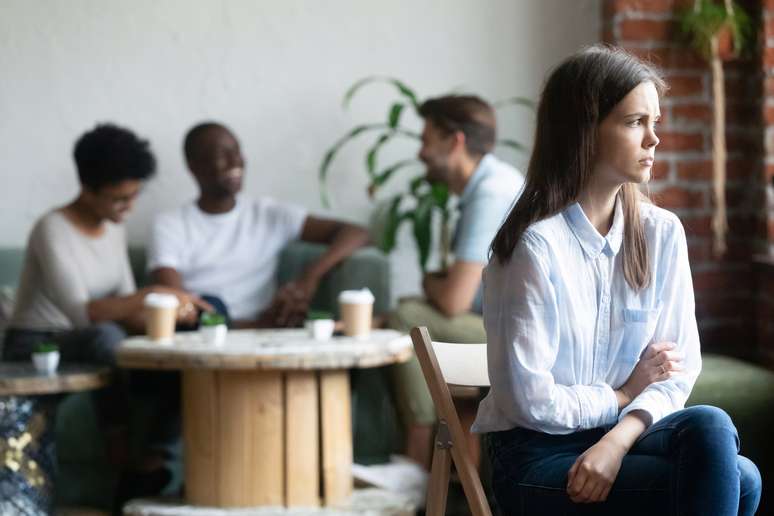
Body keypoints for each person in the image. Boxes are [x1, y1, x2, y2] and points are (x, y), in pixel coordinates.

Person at [473, 45, 761, 515]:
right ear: (584, 130)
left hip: (627, 438)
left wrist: (618, 439)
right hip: (537, 455)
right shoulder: (535, 248)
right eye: (634, 122)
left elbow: (680, 367)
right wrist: (623, 394)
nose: (654, 139)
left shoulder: (660, 233)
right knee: (741, 479)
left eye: (655, 123)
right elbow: (531, 403)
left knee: (711, 425)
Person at [2, 123, 209, 502]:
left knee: (186, 359)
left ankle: (149, 463)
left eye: (134, 196)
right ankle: (117, 435)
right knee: (106, 336)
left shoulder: (114, 229)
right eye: (119, 199)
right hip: (37, 343)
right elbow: (84, 316)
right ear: (88, 190)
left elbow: (126, 304)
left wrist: (172, 318)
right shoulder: (52, 229)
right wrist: (154, 293)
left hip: (96, 339)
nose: (128, 207)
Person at [387, 95, 524, 467]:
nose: (420, 153)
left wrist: (432, 282)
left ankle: (414, 464)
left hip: (521, 336)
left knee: (406, 317)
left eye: (426, 140)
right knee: (412, 318)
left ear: (456, 141)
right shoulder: (492, 183)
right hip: (504, 325)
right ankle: (446, 470)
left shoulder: (490, 193)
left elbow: (453, 301)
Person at [148, 122, 370, 327]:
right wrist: (247, 328)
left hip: (264, 332)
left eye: (236, 151)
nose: (235, 161)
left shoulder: (267, 214)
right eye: (221, 155)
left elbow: (357, 233)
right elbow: (175, 302)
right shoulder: (170, 224)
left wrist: (309, 277)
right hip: (204, 330)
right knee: (210, 305)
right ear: (194, 167)